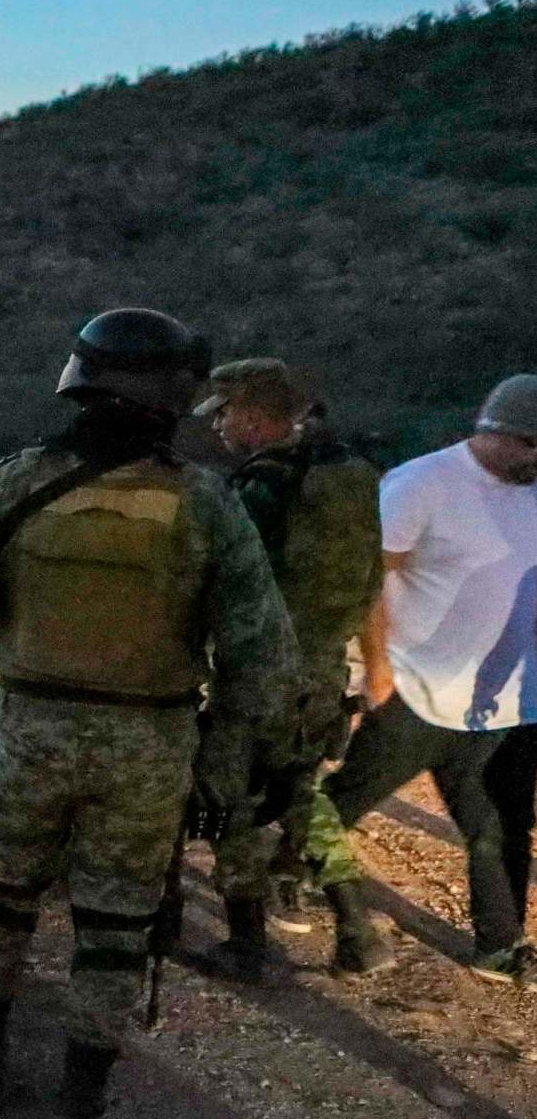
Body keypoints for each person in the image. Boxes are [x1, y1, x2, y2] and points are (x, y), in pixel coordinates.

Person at [0, 308, 294, 1119]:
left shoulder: (9, 479)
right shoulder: (208, 500)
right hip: (149, 747)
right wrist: (226, 765)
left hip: (32, 730)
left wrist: (18, 605)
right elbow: (263, 658)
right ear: (173, 397)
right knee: (116, 932)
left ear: (77, 379)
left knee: (3, 900)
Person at [318, 373, 537, 984]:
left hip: (497, 705)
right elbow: (371, 579)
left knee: (494, 828)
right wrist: (378, 667)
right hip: (415, 687)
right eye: (531, 446)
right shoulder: (422, 482)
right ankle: (280, 879)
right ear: (495, 433)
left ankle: (500, 945)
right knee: (343, 803)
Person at [191, 359, 381, 979]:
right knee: (301, 794)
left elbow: (226, 580)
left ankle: (247, 945)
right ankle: (356, 929)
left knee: (232, 803)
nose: (217, 426)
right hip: (321, 672)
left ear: (253, 413)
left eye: (223, 413)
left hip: (259, 675)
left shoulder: (262, 486)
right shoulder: (347, 474)